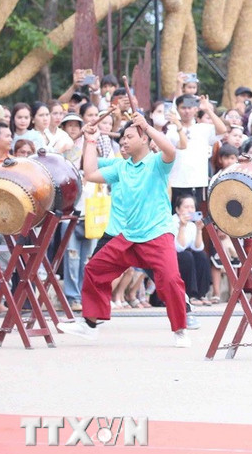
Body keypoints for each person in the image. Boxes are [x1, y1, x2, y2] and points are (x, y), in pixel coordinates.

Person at [59, 113, 191, 347]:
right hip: (129, 236)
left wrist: (147, 127)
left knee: (171, 280)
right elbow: (90, 174)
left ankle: (180, 330)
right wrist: (90, 140)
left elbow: (171, 151)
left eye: (130, 137)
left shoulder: (156, 163)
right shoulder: (121, 167)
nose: (124, 141)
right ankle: (90, 324)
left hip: (157, 234)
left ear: (144, 139)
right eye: (123, 138)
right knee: (94, 269)